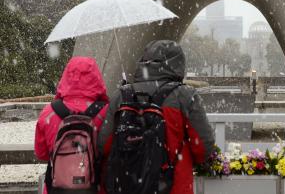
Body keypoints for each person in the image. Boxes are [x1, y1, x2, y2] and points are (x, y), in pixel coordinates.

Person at [98, 40, 215, 194]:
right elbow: (203, 146)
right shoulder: (185, 96)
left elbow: (103, 144)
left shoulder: (122, 95)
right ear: (178, 63)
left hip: (126, 184)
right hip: (173, 185)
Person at [34, 56, 109, 194]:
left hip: (56, 188)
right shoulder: (106, 112)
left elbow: (42, 153)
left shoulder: (49, 112)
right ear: (96, 77)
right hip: (95, 188)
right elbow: (111, 153)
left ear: (66, 76)